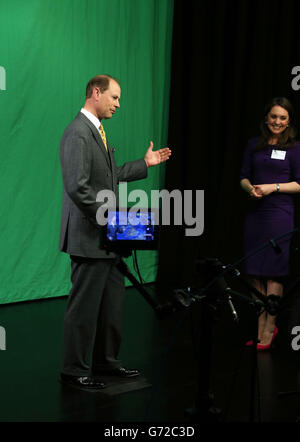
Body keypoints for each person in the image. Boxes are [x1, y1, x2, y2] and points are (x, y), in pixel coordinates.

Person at [59, 74, 171, 389]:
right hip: (90, 235)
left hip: (107, 238)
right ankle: (74, 369)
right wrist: (111, 221)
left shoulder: (99, 133)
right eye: (115, 97)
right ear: (96, 92)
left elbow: (112, 175)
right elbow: (77, 188)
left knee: (112, 306)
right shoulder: (78, 134)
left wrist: (144, 164)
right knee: (84, 308)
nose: (118, 104)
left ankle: (106, 363)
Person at [240, 97, 300, 351]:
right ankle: (259, 324)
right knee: (254, 272)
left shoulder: (295, 148)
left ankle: (269, 327)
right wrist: (250, 189)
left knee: (274, 272)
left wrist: (273, 187)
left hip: (280, 214)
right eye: (274, 116)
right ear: (266, 118)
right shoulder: (254, 145)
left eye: (283, 118)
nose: (277, 121)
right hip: (256, 214)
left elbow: (299, 183)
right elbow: (243, 176)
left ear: (288, 122)